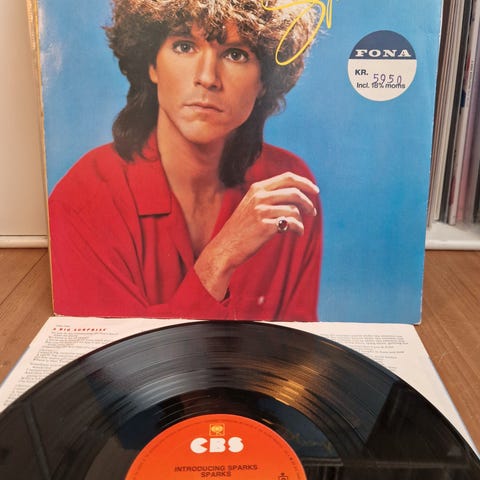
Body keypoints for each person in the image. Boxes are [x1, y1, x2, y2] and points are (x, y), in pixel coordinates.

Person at [48, 0, 323, 321]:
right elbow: (112, 350)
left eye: (235, 54)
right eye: (184, 46)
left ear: (264, 81)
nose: (207, 78)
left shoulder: (287, 188)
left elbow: (296, 343)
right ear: (151, 64)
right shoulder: (84, 197)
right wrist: (221, 257)